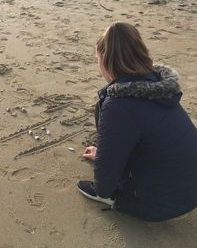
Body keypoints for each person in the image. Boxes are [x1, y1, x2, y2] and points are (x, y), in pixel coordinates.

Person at [77, 22, 197, 222]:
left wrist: (104, 183)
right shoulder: (158, 85)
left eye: (98, 60)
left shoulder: (118, 105)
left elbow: (104, 186)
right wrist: (103, 153)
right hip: (191, 189)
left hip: (157, 205)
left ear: (106, 59)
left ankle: (125, 197)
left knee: (108, 186)